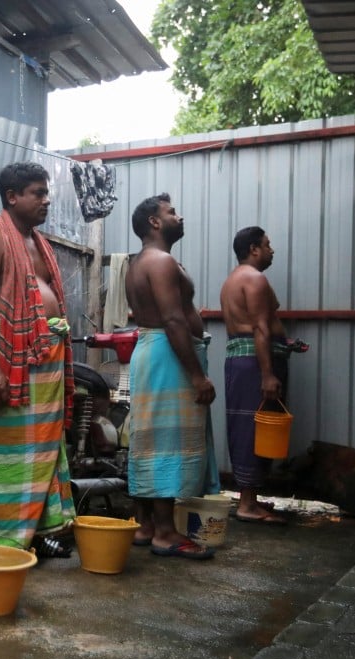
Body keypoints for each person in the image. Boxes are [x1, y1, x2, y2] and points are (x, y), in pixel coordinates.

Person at [0, 161, 76, 557]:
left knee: (43, 451)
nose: (46, 200)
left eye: (47, 193)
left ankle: (33, 534)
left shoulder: (38, 242)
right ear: (12, 196)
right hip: (8, 359)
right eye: (37, 193)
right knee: (5, 453)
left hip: (43, 359)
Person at [124, 193, 220, 560]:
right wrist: (197, 376)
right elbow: (174, 319)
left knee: (148, 437)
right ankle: (165, 532)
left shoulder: (139, 262)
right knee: (165, 440)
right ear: (154, 222)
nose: (180, 217)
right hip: (168, 355)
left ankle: (146, 524)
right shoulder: (160, 261)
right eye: (171, 212)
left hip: (155, 351)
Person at [219, 226, 294, 523]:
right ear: (253, 249)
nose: (271, 250)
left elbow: (269, 312)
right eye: (267, 244)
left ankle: (251, 498)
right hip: (254, 364)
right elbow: (262, 328)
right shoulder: (255, 279)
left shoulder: (233, 280)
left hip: (243, 361)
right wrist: (267, 374)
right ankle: (248, 505)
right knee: (256, 426)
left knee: (249, 426)